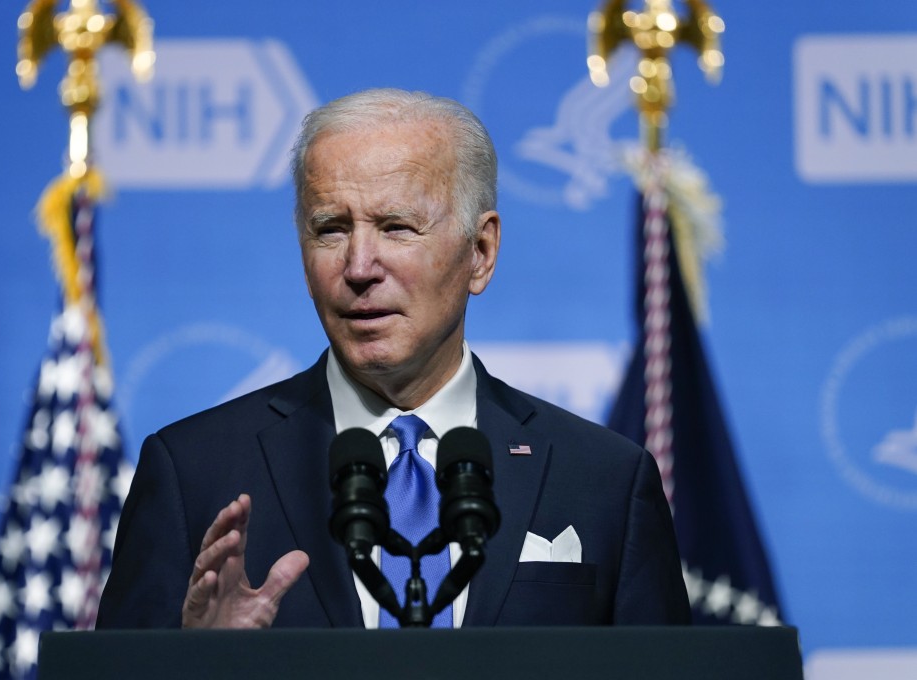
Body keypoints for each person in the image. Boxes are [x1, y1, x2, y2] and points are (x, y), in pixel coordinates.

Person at [96, 88, 690, 629]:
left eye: (396, 228)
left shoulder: (604, 480)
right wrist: (193, 666)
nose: (357, 268)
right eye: (330, 229)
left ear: (480, 253)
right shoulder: (191, 473)